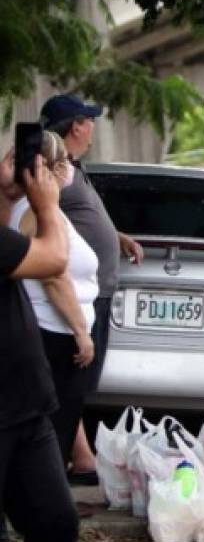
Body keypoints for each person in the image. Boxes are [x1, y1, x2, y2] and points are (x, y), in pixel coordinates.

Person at [40, 94, 144, 484]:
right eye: (89, 119)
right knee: (70, 387)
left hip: (94, 295)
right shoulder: (54, 171)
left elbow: (79, 219)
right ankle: (61, 470)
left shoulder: (72, 169)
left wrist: (116, 237)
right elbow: (43, 215)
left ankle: (77, 459)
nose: (94, 126)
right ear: (76, 126)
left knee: (76, 387)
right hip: (74, 299)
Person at [0, 150, 80, 542]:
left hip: (27, 408)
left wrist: (9, 197)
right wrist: (46, 205)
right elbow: (53, 259)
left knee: (56, 525)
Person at [7, 132, 98, 465]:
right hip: (55, 333)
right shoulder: (35, 210)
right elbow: (53, 275)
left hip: (58, 331)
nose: (68, 171)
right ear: (50, 168)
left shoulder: (44, 208)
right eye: (63, 164)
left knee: (59, 428)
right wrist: (81, 332)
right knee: (53, 433)